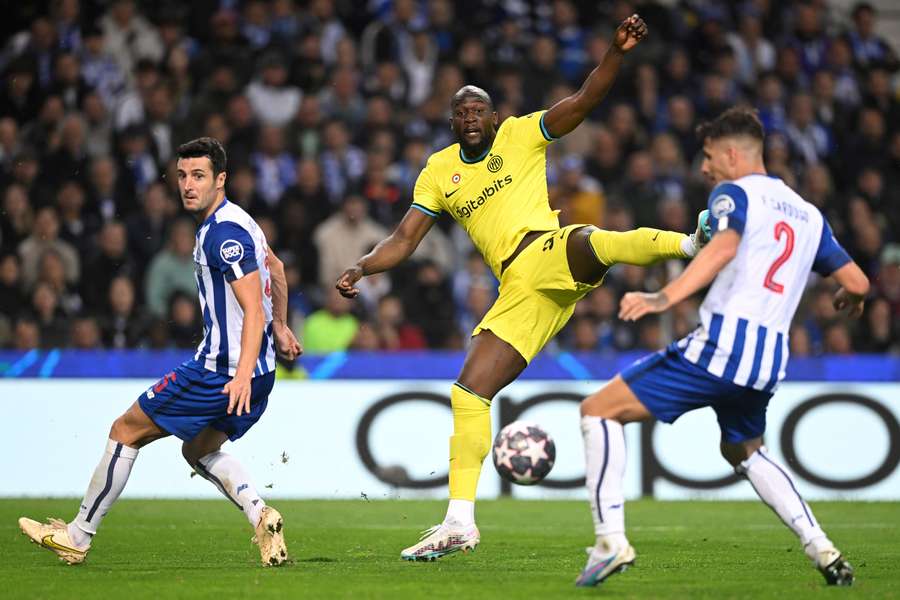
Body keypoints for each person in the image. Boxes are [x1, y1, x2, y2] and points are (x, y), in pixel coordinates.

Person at [337, 15, 704, 561]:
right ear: (452, 120)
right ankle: (459, 521)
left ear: (492, 116)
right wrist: (363, 267)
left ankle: (690, 245)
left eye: (477, 110)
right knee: (468, 393)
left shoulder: (521, 134)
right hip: (521, 289)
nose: (469, 118)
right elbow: (404, 238)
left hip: (545, 249)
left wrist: (616, 52)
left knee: (590, 240)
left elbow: (581, 102)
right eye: (460, 111)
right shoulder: (438, 172)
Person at [574, 107, 868, 587]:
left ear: (732, 154)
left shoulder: (734, 193)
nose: (705, 168)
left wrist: (663, 297)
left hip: (723, 346)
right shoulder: (811, 216)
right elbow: (857, 279)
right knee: (744, 450)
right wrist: (851, 298)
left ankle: (610, 540)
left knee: (598, 410)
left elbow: (725, 246)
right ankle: (823, 549)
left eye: (709, 157)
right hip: (769, 360)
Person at [18, 137, 302, 567]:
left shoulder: (221, 234)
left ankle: (77, 536)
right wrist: (281, 327)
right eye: (183, 175)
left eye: (199, 176)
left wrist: (242, 370)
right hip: (258, 374)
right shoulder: (242, 220)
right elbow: (276, 270)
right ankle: (261, 515)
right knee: (197, 451)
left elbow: (250, 311)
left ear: (220, 179)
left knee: (125, 429)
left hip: (221, 372)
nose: (188, 185)